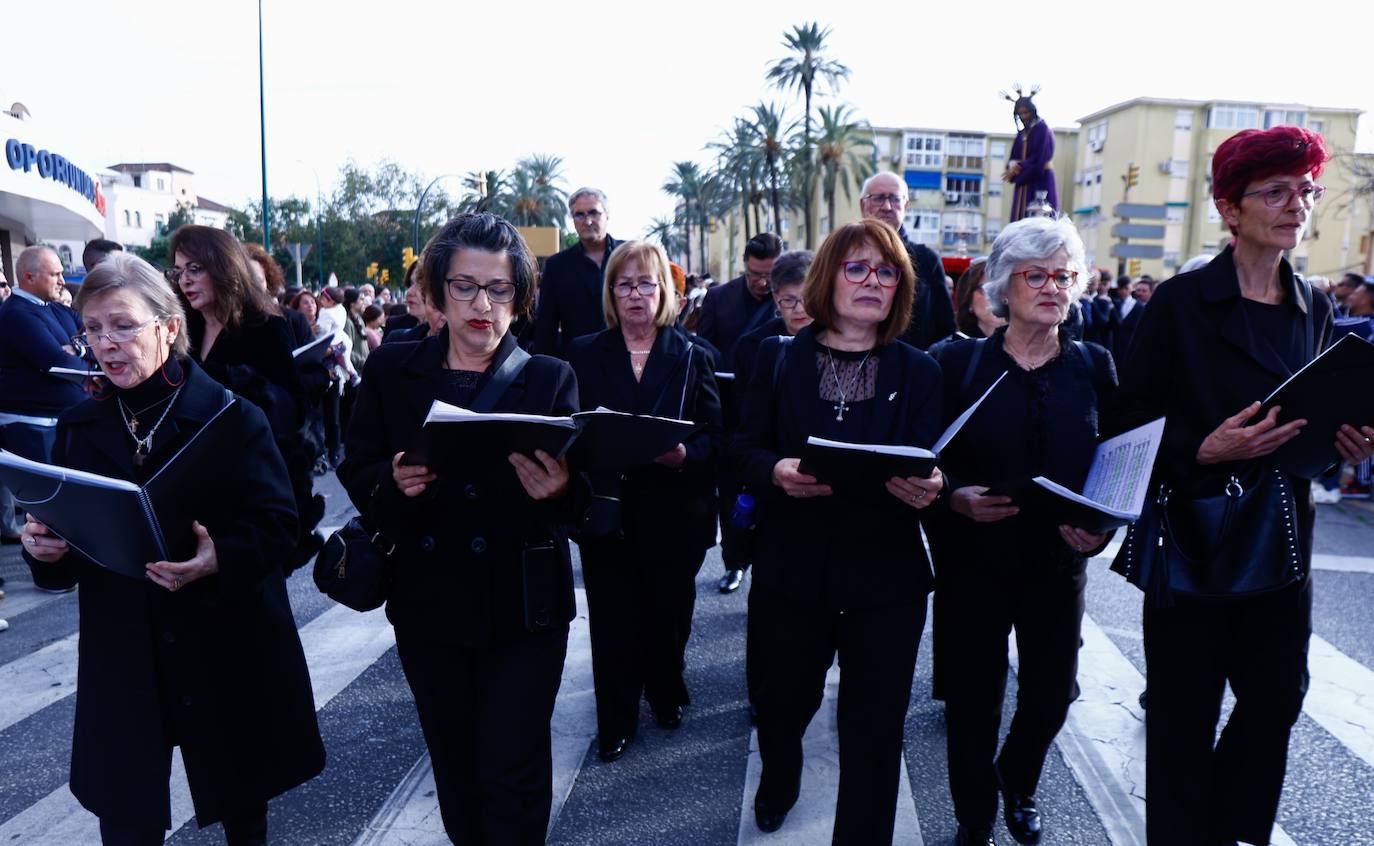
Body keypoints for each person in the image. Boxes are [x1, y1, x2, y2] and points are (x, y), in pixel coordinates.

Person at [1109, 125, 1374, 846]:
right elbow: (1126, 424)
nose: (1299, 205)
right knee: (1182, 712)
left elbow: (1311, 416)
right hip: (1195, 535)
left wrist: (1343, 445)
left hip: (1284, 531)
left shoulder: (1313, 305)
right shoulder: (1179, 303)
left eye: (1307, 190)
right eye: (1278, 191)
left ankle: (1228, 831)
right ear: (1230, 208)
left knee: (1279, 699)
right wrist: (1206, 446)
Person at [20, 252, 324, 845]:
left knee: (242, 811)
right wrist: (45, 550)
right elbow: (69, 547)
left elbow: (279, 525)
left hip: (223, 640)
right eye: (93, 329)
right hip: (126, 649)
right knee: (127, 819)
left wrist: (220, 558)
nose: (106, 343)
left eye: (124, 325)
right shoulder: (81, 427)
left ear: (168, 327)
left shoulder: (234, 418)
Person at [338, 213, 579, 844]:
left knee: (514, 768)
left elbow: (588, 502)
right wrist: (390, 481)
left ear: (520, 297)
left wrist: (562, 491)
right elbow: (358, 469)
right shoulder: (393, 371)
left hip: (526, 606)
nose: (481, 304)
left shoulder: (550, 377)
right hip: (430, 604)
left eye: (499, 290)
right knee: (458, 768)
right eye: (465, 286)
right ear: (439, 290)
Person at [733, 219, 944, 841]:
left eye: (886, 271)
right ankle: (781, 772)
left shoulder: (922, 371)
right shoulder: (777, 357)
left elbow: (935, 464)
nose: (872, 281)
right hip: (791, 571)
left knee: (874, 731)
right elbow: (740, 449)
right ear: (829, 277)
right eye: (857, 268)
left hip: (886, 577)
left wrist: (935, 487)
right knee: (780, 709)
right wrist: (774, 468)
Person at [927, 216, 1116, 846]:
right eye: (1037, 275)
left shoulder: (1094, 366)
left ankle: (1019, 774)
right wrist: (953, 498)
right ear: (1005, 285)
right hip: (973, 563)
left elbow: (1120, 465)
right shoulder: (954, 364)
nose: (1053, 287)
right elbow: (918, 461)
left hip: (1057, 565)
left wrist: (1102, 528)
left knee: (1053, 695)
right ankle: (974, 816)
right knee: (972, 705)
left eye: (1064, 275)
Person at [565, 240, 721, 761]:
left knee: (668, 614)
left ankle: (666, 690)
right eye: (624, 284)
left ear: (665, 291)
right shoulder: (586, 353)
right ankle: (616, 717)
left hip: (675, 510)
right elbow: (570, 430)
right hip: (607, 510)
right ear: (611, 292)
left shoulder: (694, 354)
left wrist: (685, 456)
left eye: (646, 283)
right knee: (611, 621)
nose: (635, 294)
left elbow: (717, 436)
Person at [168, 226, 322, 572]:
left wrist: (242, 387)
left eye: (196, 268)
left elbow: (292, 410)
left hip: (251, 484)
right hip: (197, 484)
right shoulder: (183, 329)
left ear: (223, 267)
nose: (185, 280)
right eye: (179, 271)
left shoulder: (264, 326)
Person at [716, 249, 815, 596]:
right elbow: (743, 411)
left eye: (806, 299)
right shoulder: (754, 345)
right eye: (789, 300)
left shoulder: (835, 340)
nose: (799, 309)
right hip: (764, 452)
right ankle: (736, 564)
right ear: (775, 298)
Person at [0, 247, 90, 549]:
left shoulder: (53, 308)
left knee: (69, 502)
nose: (63, 280)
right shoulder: (15, 314)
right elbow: (56, 362)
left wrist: (76, 349)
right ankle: (52, 572)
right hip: (34, 429)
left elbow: (90, 341)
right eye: (56, 274)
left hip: (60, 422)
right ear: (29, 277)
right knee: (47, 509)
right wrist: (74, 353)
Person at [858, 170, 957, 350]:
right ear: (863, 205)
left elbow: (946, 328)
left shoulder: (927, 260)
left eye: (895, 199)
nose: (887, 206)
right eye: (879, 198)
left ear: (906, 206)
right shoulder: (846, 255)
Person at [533, 187, 619, 357]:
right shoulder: (557, 266)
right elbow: (546, 327)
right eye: (579, 215)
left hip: (629, 362)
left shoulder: (629, 256)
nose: (587, 221)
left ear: (607, 215)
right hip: (579, 366)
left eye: (594, 213)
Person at [1004, 88, 1058, 221]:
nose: (1024, 116)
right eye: (1020, 113)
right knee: (1019, 219)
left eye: (1026, 112)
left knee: (1039, 217)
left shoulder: (1042, 129)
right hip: (1023, 181)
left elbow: (1039, 157)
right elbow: (1014, 156)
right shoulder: (1021, 134)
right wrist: (1011, 166)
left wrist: (1019, 167)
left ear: (1032, 111)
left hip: (1040, 179)